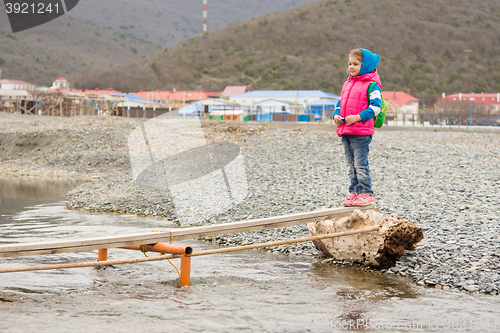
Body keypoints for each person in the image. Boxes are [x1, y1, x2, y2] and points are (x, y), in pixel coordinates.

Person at [333, 48, 382, 207]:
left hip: (361, 132)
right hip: (346, 130)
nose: (351, 67)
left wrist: (358, 117)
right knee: (350, 165)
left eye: (356, 63)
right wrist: (336, 115)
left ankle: (366, 193)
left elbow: (376, 108)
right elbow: (340, 104)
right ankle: (354, 192)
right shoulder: (347, 84)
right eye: (349, 64)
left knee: (360, 165)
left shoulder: (372, 86)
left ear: (365, 65)